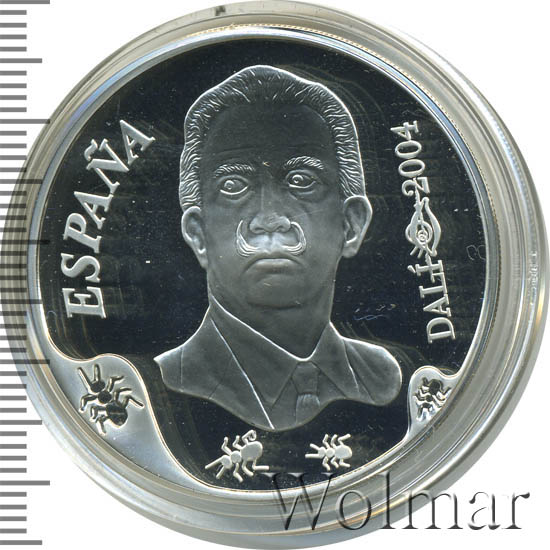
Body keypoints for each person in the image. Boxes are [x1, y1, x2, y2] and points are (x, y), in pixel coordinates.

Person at [155, 65, 402, 431]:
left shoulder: (382, 376)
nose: (269, 219)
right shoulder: (163, 384)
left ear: (351, 225)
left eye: (302, 181)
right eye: (233, 186)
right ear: (198, 234)